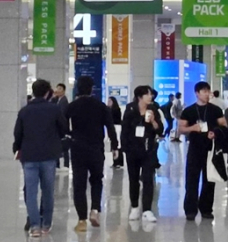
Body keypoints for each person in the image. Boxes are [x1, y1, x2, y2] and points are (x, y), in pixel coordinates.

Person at [13, 79, 68, 237]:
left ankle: (34, 226)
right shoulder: (54, 109)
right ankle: (46, 224)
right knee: (48, 190)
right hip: (49, 155)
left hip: (29, 156)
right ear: (47, 92)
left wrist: (17, 148)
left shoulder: (24, 111)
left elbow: (18, 133)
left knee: (30, 191)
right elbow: (63, 129)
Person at [66, 76, 119, 232]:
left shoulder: (72, 106)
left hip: (78, 148)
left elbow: (61, 124)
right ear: (91, 89)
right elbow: (110, 127)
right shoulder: (101, 106)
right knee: (97, 180)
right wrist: (115, 147)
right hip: (96, 149)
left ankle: (82, 220)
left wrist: (70, 135)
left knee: (79, 184)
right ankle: (95, 209)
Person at [179, 81, 227, 221]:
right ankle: (190, 210)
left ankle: (206, 208)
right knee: (191, 180)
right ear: (197, 93)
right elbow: (180, 129)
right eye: (204, 92)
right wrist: (191, 129)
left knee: (209, 181)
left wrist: (215, 132)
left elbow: (224, 126)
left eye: (208, 91)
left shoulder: (215, 110)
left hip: (211, 150)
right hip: (194, 149)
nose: (207, 94)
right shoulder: (188, 111)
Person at [121, 85, 163, 222]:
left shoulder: (154, 109)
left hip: (148, 149)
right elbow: (125, 130)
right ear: (140, 97)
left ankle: (147, 209)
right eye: (148, 94)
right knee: (133, 179)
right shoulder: (130, 109)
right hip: (132, 149)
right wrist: (124, 148)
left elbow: (160, 129)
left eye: (151, 94)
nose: (150, 97)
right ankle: (134, 207)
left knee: (148, 179)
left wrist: (153, 122)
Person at [54, 83, 71, 168]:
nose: (57, 90)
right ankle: (60, 164)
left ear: (64, 91)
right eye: (57, 88)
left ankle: (65, 164)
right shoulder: (58, 100)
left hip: (62, 128)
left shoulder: (64, 101)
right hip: (59, 128)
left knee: (64, 147)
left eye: (60, 89)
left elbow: (63, 115)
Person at [106, 96, 124, 168]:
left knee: (117, 145)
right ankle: (115, 161)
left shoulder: (116, 109)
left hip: (117, 128)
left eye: (110, 101)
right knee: (113, 145)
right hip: (111, 128)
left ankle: (119, 161)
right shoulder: (108, 110)